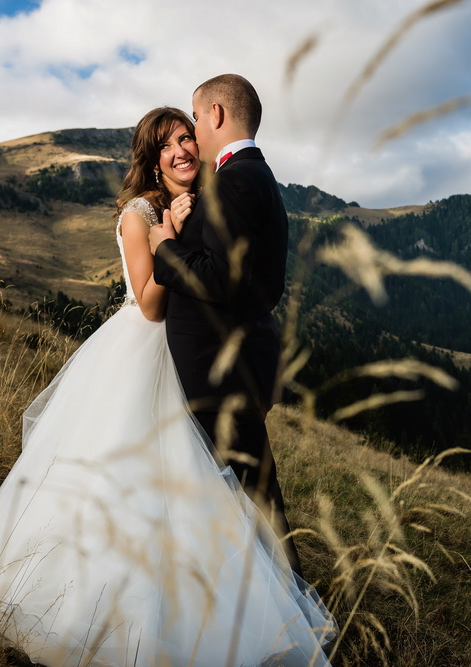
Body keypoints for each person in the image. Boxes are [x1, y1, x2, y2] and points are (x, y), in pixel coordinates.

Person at [0, 107, 334, 666]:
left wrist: (186, 230)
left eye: (187, 137)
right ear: (152, 159)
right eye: (167, 146)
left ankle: (191, 592)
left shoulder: (199, 202)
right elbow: (147, 301)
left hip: (186, 357)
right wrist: (172, 236)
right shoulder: (139, 215)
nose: (182, 151)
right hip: (141, 355)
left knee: (188, 486)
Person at [148, 75, 300, 576]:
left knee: (253, 496)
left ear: (215, 114)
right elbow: (256, 284)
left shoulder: (234, 180)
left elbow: (217, 279)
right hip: (235, 364)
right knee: (244, 491)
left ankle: (292, 607)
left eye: (194, 118)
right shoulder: (253, 176)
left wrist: (165, 246)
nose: (193, 130)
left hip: (219, 371)